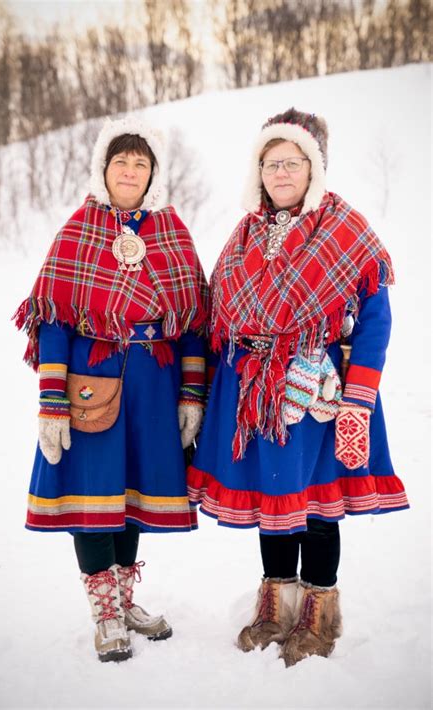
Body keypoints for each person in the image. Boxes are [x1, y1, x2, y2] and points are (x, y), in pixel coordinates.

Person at [187, 108, 409, 666]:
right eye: (271, 163)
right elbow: (220, 315)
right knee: (274, 499)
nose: (281, 173)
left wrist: (358, 401)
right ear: (257, 171)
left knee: (316, 505)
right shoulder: (244, 236)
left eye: (293, 162)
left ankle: (317, 615)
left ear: (314, 168)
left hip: (319, 396)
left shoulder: (344, 229)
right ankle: (275, 604)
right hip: (255, 394)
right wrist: (211, 395)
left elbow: (377, 320)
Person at [13, 117, 208, 663]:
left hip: (153, 381)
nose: (130, 170)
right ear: (104, 168)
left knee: (133, 495)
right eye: (121, 161)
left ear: (154, 173)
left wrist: (192, 394)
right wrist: (51, 402)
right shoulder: (78, 230)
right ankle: (104, 612)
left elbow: (196, 318)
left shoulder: (172, 231)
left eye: (141, 163)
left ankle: (124, 601)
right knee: (94, 492)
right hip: (90, 380)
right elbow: (52, 319)